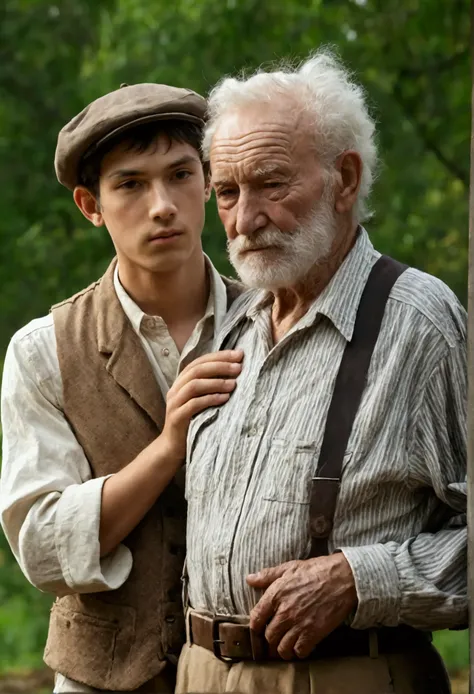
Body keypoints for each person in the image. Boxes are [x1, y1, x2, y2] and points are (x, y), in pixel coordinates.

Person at [176, 50, 467, 694]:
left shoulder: (419, 322)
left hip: (345, 674)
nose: (244, 220)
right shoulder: (229, 324)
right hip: (201, 675)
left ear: (344, 178)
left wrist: (360, 580)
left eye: (271, 184)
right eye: (226, 192)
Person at [0, 83, 244, 693]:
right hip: (101, 681)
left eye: (181, 174)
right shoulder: (42, 350)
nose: (162, 205)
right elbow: (44, 547)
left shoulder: (272, 320)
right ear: (91, 204)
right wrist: (166, 450)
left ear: (209, 180)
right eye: (131, 184)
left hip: (252, 675)